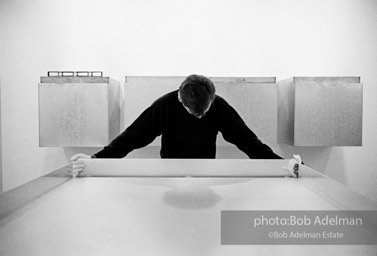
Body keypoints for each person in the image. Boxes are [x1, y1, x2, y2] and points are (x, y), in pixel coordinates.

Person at [71, 74, 282, 173]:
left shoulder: (218, 106)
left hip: (204, 172)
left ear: (211, 99)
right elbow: (132, 137)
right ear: (181, 100)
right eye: (194, 113)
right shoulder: (165, 105)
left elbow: (247, 140)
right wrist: (95, 159)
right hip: (169, 172)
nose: (200, 117)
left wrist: (283, 164)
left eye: (204, 112)